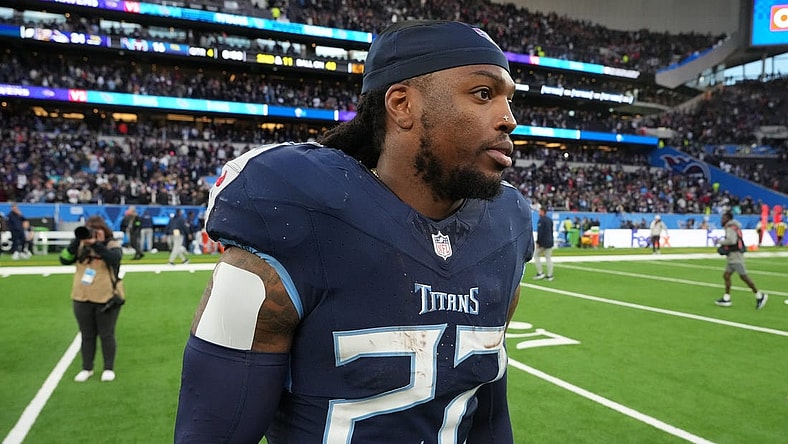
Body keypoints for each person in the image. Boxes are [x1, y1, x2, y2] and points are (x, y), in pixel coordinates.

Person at [175, 20, 534, 443]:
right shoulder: (301, 216)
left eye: (509, 99)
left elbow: (489, 421)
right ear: (402, 104)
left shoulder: (504, 228)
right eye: (483, 94)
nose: (508, 119)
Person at [59, 215, 125, 382]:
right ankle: (87, 368)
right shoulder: (80, 246)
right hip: (81, 297)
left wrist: (97, 244)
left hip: (106, 297)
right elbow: (64, 259)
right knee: (87, 335)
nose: (93, 234)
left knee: (106, 334)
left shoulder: (112, 245)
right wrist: (77, 241)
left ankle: (108, 368)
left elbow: (115, 259)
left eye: (97, 230)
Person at [715, 211, 767, 309]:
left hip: (735, 256)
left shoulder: (730, 227)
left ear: (727, 218)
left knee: (744, 277)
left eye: (723, 218)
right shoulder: (734, 227)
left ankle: (760, 295)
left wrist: (720, 242)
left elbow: (732, 241)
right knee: (726, 275)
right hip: (733, 255)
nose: (722, 220)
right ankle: (726, 298)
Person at [533, 206, 554, 281]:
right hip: (550, 241)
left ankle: (540, 273)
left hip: (543, 243)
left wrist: (538, 242)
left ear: (542, 212)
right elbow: (551, 231)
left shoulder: (541, 220)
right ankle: (550, 275)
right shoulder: (550, 220)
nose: (539, 213)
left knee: (535, 255)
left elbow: (540, 233)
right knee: (548, 258)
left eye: (539, 211)